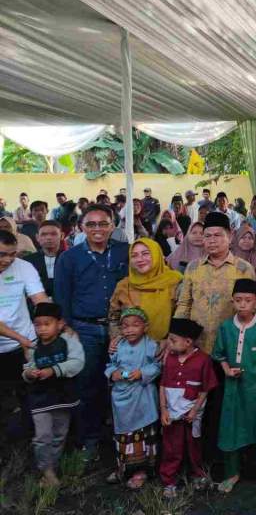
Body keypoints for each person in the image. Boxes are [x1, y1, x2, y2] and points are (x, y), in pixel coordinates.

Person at [54, 204, 129, 459]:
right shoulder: (69, 258)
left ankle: (124, 439)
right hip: (84, 329)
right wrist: (68, 329)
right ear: (81, 227)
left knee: (122, 383)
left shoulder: (124, 252)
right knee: (87, 386)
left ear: (112, 226)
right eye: (91, 224)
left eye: (103, 223)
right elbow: (61, 297)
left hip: (121, 330)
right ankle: (90, 441)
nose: (98, 229)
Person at [212, 278, 256, 498]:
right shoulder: (225, 327)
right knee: (230, 427)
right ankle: (232, 473)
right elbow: (220, 354)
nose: (243, 304)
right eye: (238, 300)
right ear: (232, 301)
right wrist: (226, 370)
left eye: (248, 300)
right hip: (233, 388)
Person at [174, 212, 255, 354]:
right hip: (196, 345)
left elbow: (251, 309)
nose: (212, 240)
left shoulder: (243, 269)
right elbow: (184, 304)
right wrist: (176, 336)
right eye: (207, 236)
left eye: (217, 235)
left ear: (230, 236)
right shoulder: (193, 267)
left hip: (231, 345)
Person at [22, 303, 84, 487]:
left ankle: (51, 470)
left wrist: (54, 370)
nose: (42, 328)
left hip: (63, 397)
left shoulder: (68, 342)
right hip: (40, 399)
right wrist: (29, 374)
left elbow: (77, 363)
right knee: (42, 437)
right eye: (37, 324)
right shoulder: (34, 347)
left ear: (60, 324)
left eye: (47, 323)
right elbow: (28, 368)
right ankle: (46, 470)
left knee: (59, 435)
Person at [159, 318, 217, 498]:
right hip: (171, 412)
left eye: (173, 340)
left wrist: (194, 411)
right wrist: (164, 409)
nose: (168, 344)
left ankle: (198, 475)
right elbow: (162, 385)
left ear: (188, 342)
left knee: (194, 445)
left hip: (193, 412)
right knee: (171, 446)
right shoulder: (169, 359)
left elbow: (205, 389)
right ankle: (169, 480)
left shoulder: (203, 360)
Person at [104, 308, 161, 489]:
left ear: (145, 326)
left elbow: (158, 365)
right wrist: (113, 373)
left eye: (135, 325)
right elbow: (110, 365)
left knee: (142, 435)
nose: (130, 330)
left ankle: (141, 472)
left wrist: (142, 372)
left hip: (142, 396)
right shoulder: (118, 346)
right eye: (125, 326)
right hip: (121, 398)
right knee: (124, 435)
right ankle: (123, 468)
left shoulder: (151, 345)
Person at [109, 239, 182, 343]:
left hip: (167, 347)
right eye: (134, 255)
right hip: (132, 346)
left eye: (145, 254)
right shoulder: (124, 285)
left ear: (156, 255)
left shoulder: (175, 282)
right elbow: (114, 317)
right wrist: (118, 338)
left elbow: (183, 316)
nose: (140, 259)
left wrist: (170, 342)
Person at [24, 220, 63, 298]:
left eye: (53, 234)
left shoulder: (70, 258)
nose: (49, 238)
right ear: (37, 237)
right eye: (44, 234)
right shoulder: (28, 261)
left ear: (62, 236)